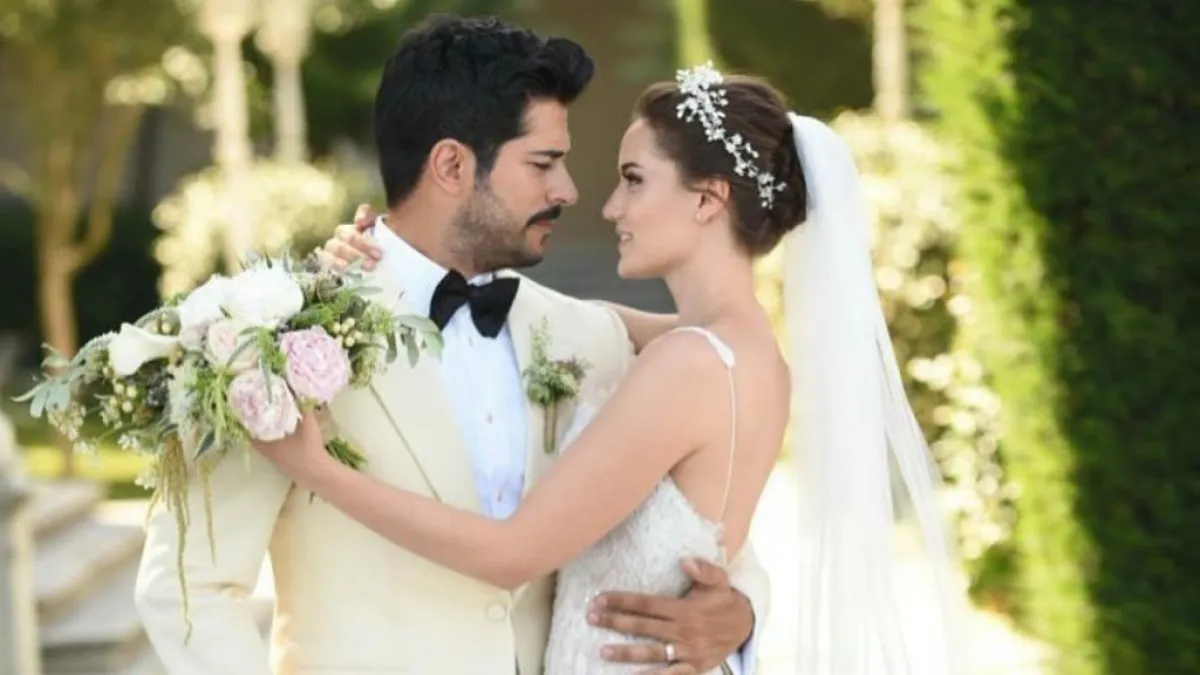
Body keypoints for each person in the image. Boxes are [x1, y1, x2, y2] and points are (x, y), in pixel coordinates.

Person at [268, 52, 964, 675]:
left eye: (633, 180)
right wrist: (377, 263)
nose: (605, 206)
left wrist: (319, 469)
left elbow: (514, 553)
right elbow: (564, 317)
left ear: (708, 197)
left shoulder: (687, 365)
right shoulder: (750, 356)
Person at [134, 15, 768, 675]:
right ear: (451, 165)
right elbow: (188, 587)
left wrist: (743, 610)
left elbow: (699, 504)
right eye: (543, 163)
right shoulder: (272, 341)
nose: (569, 190)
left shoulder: (591, 337)